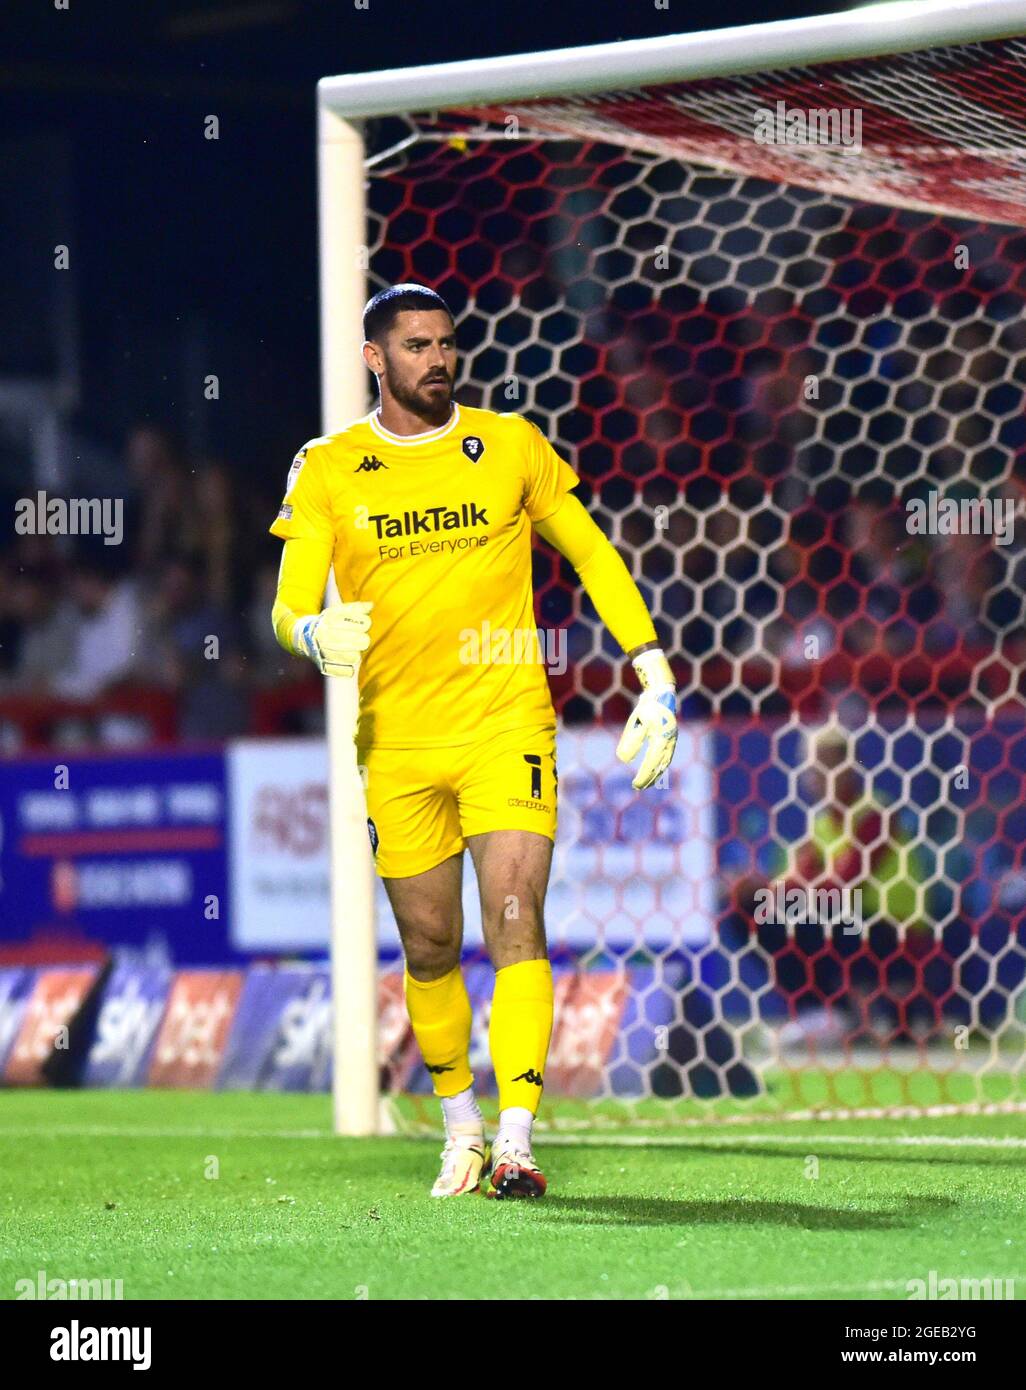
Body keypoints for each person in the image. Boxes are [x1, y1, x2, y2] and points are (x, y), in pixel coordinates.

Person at [268, 283, 677, 1198]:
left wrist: (652, 667)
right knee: (427, 944)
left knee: (517, 919)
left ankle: (519, 1138)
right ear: (376, 358)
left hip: (508, 723)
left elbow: (593, 553)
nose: (438, 360)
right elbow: (290, 603)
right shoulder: (329, 466)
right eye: (416, 346)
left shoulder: (509, 446)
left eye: (447, 343)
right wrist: (309, 635)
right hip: (400, 743)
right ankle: (460, 1124)